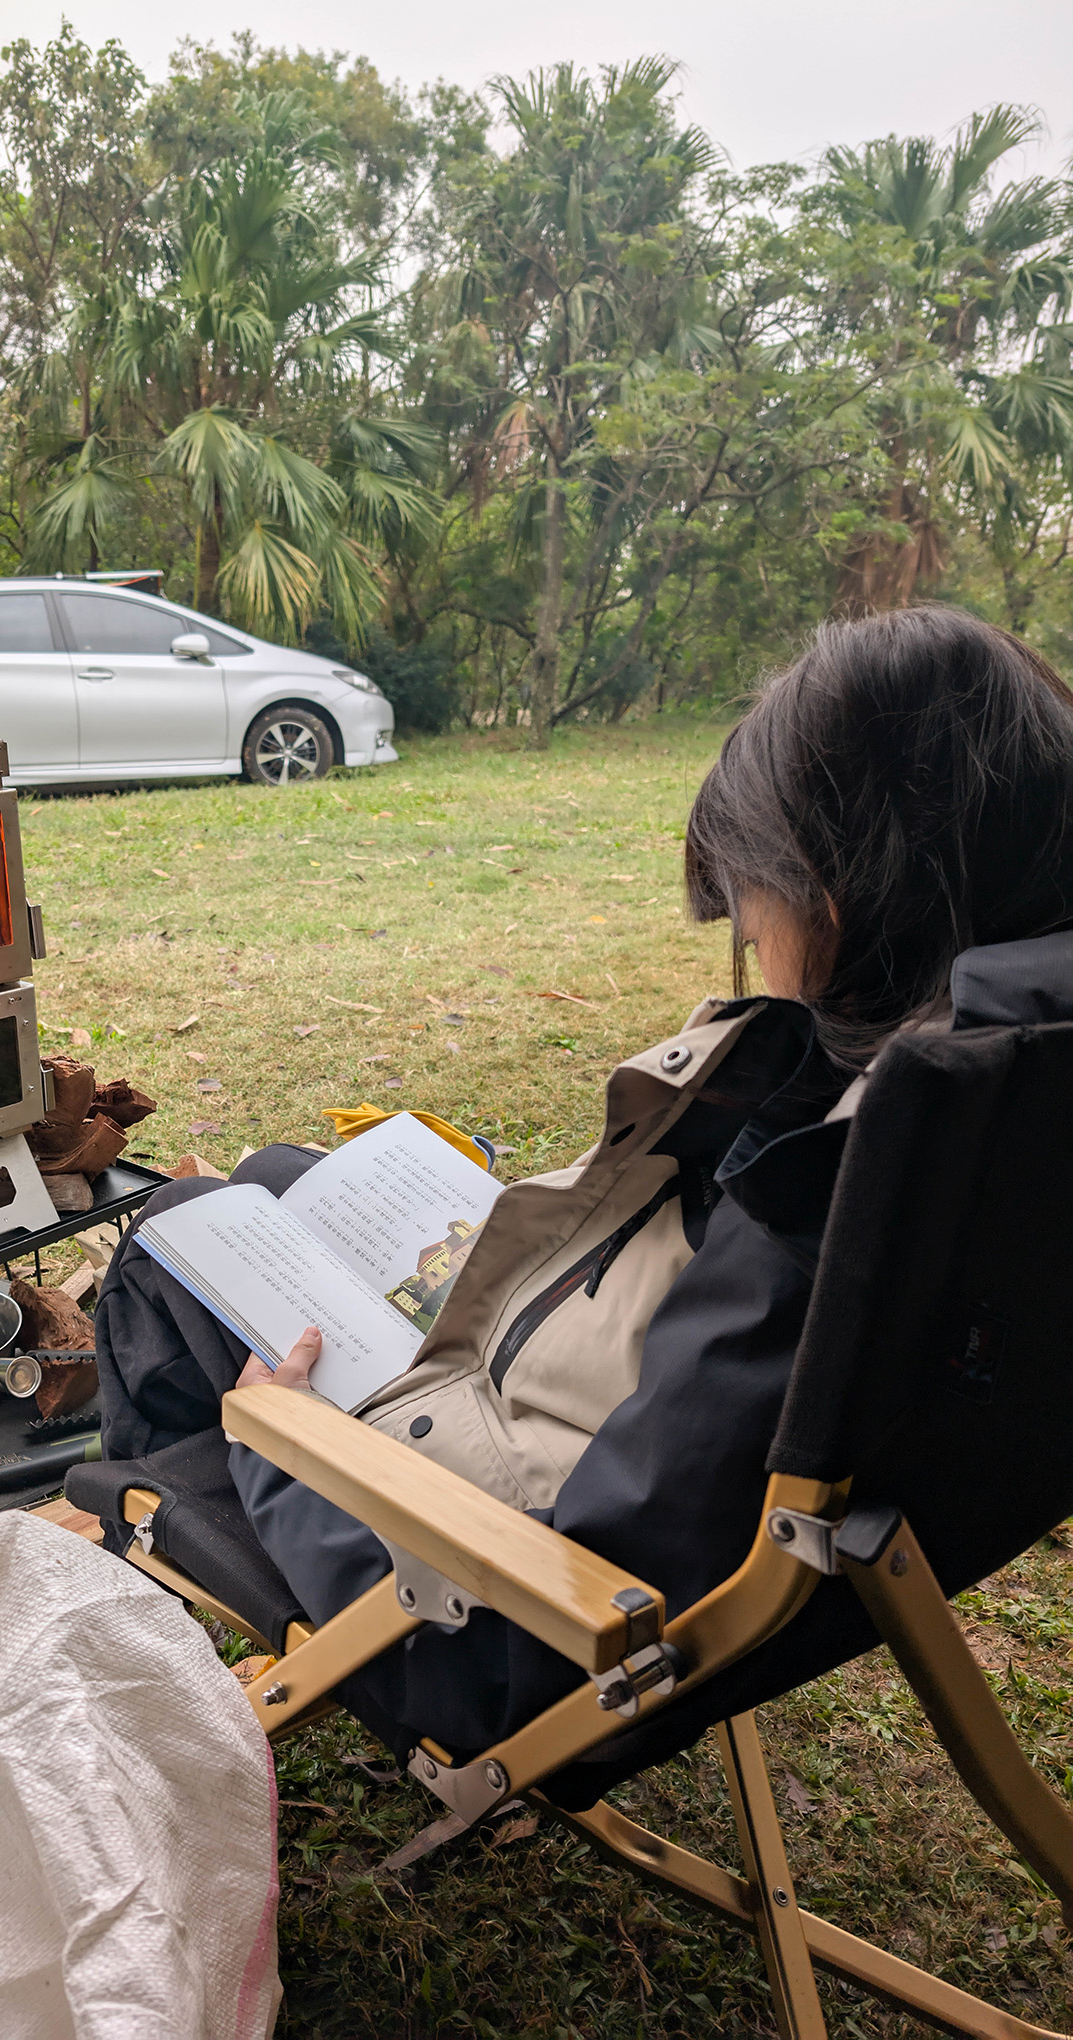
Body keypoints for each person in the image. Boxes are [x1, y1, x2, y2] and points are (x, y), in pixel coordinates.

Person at [93, 606, 1073, 1776]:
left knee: (175, 1236)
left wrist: (280, 1447)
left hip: (483, 1573)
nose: (748, 943)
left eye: (750, 902)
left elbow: (519, 1660)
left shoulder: (851, 1198)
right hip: (604, 1378)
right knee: (270, 1183)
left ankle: (164, 1547)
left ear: (834, 895)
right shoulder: (1007, 1086)